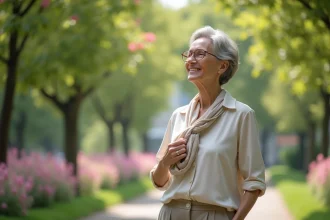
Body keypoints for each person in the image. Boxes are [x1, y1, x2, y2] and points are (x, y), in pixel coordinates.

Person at [150, 26, 266, 220]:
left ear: (222, 66)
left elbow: (254, 182)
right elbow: (160, 181)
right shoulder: (179, 116)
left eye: (200, 54)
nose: (190, 60)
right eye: (189, 54)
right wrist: (165, 162)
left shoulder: (241, 115)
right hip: (171, 213)